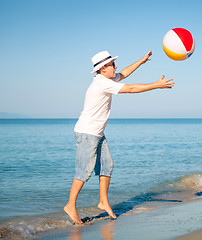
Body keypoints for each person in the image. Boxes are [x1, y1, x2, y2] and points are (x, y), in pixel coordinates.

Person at [64, 50, 175, 224]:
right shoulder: (101, 83)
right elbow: (130, 88)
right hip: (87, 133)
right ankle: (70, 205)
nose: (116, 67)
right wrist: (156, 85)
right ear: (103, 69)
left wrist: (142, 60)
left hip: (97, 133)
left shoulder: (107, 79)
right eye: (112, 64)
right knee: (83, 171)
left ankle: (103, 202)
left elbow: (124, 73)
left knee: (107, 166)